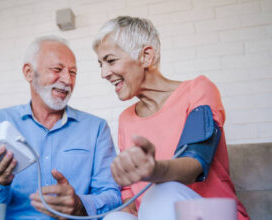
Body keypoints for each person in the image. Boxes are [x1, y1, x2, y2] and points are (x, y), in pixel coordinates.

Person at [92, 16, 249, 220]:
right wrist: (126, 206)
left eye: (111, 61)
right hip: (154, 214)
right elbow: (129, 191)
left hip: (212, 213)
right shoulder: (126, 119)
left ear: (146, 56)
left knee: (161, 193)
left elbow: (195, 162)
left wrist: (154, 170)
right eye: (100, 64)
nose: (104, 73)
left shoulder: (198, 90)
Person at [0, 36, 121, 219]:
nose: (67, 80)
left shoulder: (97, 128)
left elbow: (112, 196)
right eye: (57, 69)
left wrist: (80, 205)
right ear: (28, 72)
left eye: (73, 73)